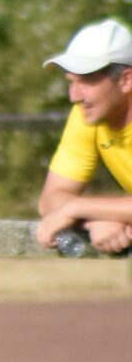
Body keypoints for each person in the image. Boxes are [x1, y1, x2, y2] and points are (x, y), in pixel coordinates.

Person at [34, 18, 132, 255]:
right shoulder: (86, 116)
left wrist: (76, 209)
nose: (74, 96)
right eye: (71, 82)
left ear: (126, 80)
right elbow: (49, 200)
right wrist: (95, 219)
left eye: (86, 81)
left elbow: (64, 206)